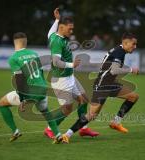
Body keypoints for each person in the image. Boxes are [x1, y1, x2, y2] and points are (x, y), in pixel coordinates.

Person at [63, 33, 140, 143]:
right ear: (126, 42)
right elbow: (114, 70)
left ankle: (116, 122)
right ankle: (67, 134)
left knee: (133, 97)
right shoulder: (119, 52)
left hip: (110, 83)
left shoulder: (119, 50)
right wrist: (131, 70)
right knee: (92, 115)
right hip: (102, 85)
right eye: (133, 44)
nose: (135, 46)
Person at [44, 8, 99, 142]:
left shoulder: (56, 36)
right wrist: (71, 65)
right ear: (62, 28)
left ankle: (83, 128)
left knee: (84, 99)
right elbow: (56, 62)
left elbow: (50, 32)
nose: (72, 31)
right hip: (61, 79)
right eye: (70, 28)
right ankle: (50, 128)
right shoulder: (57, 42)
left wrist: (57, 19)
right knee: (67, 109)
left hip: (70, 77)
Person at [0, 32, 61, 142]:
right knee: (45, 111)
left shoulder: (14, 58)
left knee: (1, 104)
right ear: (25, 42)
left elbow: (19, 78)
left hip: (29, 92)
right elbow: (40, 72)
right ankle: (58, 134)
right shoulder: (34, 54)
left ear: (14, 42)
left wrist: (23, 99)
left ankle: (15, 131)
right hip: (42, 88)